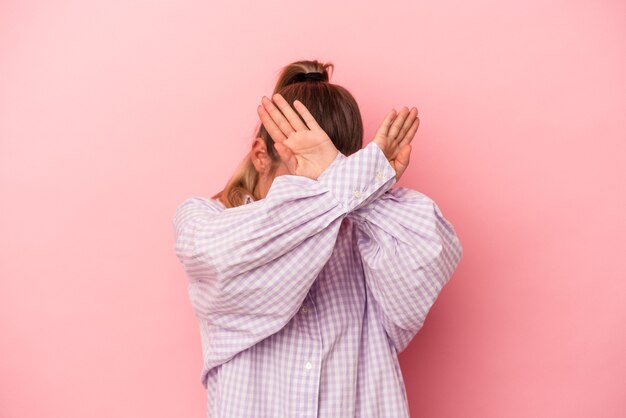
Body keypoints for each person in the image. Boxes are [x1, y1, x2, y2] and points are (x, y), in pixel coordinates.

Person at [172, 59, 463, 418]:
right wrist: (354, 180)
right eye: (304, 177)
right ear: (261, 156)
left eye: (333, 168)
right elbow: (224, 262)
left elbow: (431, 252)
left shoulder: (367, 232)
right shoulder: (205, 219)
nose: (320, 190)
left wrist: (356, 186)